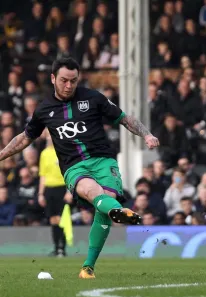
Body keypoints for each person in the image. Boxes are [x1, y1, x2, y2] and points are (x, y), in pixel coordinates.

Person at [0, 57, 159, 279]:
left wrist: (147, 134)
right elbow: (25, 138)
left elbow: (124, 118)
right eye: (64, 80)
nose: (69, 86)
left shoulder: (93, 98)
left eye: (73, 81)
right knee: (95, 193)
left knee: (105, 204)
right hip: (74, 166)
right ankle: (119, 212)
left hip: (104, 161)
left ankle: (88, 268)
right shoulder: (44, 109)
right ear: (53, 78)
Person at [38, 129, 72, 257]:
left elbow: (69, 172)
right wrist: (41, 193)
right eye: (48, 136)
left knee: (62, 219)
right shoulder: (44, 154)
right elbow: (43, 175)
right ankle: (55, 246)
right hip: (49, 189)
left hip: (62, 188)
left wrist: (69, 191)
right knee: (52, 219)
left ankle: (62, 248)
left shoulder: (63, 151)